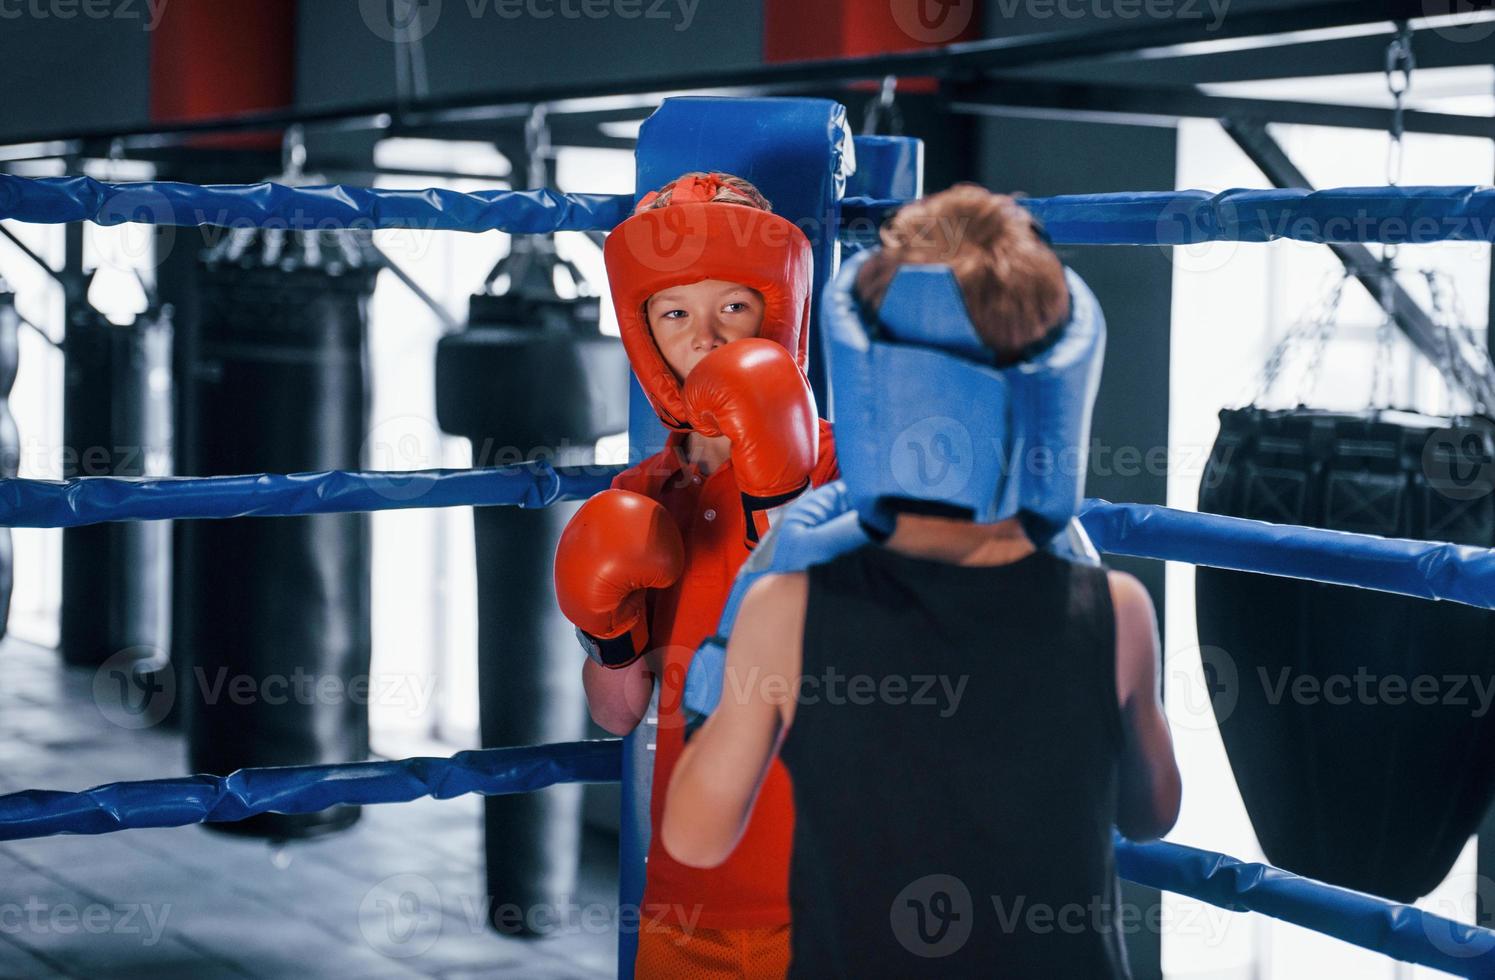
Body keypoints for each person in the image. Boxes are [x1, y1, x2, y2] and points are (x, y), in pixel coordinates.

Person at [661, 185, 1182, 978]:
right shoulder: (1116, 609)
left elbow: (693, 839)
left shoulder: (786, 610)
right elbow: (1151, 815)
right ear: (1056, 386)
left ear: (872, 383)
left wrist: (728, 639)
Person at [553, 171, 840, 977]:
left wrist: (777, 492)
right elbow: (618, 714)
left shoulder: (843, 465)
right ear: (645, 335)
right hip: (687, 892)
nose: (705, 337)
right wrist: (603, 633)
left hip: (829, 887)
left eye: (732, 308)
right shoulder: (641, 495)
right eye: (676, 313)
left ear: (774, 313)